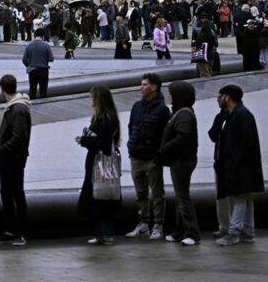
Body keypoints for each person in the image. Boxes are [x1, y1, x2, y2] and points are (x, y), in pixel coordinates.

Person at [210, 84, 264, 245]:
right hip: (232, 165)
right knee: (244, 199)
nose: (218, 99)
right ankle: (248, 232)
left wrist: (236, 165)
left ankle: (234, 232)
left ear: (227, 97)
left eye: (220, 96)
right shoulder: (228, 115)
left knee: (238, 198)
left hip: (240, 167)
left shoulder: (243, 115)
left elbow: (247, 144)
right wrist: (220, 117)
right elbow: (214, 136)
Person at [125, 73, 171, 241]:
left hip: (152, 157)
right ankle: (143, 223)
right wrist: (131, 147)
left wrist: (159, 154)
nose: (141, 87)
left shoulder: (162, 109)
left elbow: (165, 134)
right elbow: (132, 127)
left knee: (157, 193)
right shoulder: (137, 106)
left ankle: (158, 224)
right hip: (136, 155)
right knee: (140, 192)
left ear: (154, 87)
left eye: (145, 84)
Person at [0, 75, 31, 247]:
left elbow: (19, 136)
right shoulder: (16, 108)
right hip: (9, 159)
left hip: (13, 159)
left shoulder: (18, 109)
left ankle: (19, 232)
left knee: (15, 194)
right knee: (8, 194)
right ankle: (10, 231)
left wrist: (1, 149)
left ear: (2, 88)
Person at [156, 81, 200, 245]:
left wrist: (164, 149)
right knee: (180, 196)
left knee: (183, 197)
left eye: (172, 93)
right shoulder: (181, 112)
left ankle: (191, 232)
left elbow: (182, 137)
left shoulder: (183, 114)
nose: (169, 96)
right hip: (180, 160)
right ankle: (180, 231)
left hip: (182, 161)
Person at [76, 85, 121, 245]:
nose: (90, 100)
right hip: (102, 163)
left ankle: (104, 233)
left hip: (98, 163)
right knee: (103, 197)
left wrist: (85, 140)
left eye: (92, 97)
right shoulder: (110, 116)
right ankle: (103, 233)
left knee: (98, 197)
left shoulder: (103, 118)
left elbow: (102, 142)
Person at [22, 28, 54, 99]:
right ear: (43, 36)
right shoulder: (46, 46)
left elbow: (24, 59)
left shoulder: (29, 45)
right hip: (43, 70)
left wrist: (28, 65)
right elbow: (51, 59)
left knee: (32, 90)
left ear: (34, 35)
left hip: (32, 70)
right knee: (43, 91)